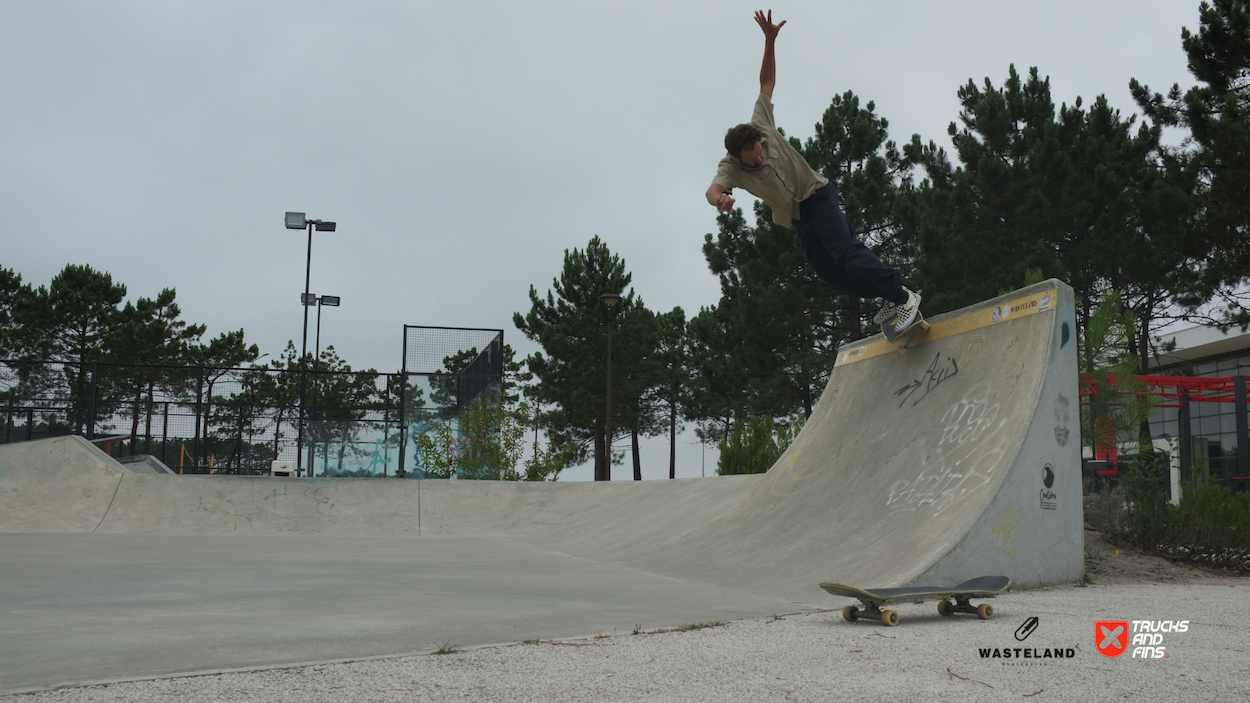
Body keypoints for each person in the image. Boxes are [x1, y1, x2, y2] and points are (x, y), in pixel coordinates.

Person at [705, 10, 920, 334]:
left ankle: (902, 297)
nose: (759, 160)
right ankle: (887, 296)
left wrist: (769, 41)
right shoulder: (730, 167)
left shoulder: (760, 123)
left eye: (760, 152)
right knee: (829, 271)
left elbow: (766, 81)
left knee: (845, 252)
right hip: (798, 217)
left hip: (817, 195)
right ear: (738, 157)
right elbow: (713, 190)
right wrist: (719, 199)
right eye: (752, 161)